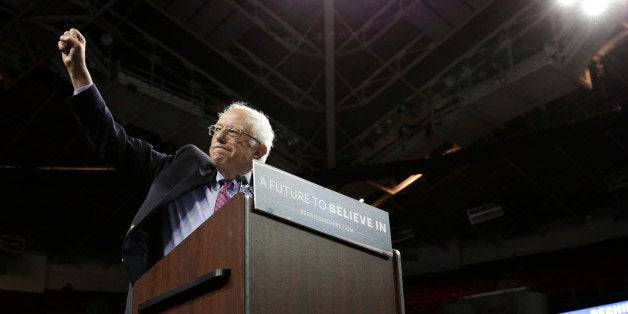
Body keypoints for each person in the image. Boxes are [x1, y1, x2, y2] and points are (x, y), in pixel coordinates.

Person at [58, 28, 274, 313]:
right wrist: (78, 73)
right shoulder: (181, 167)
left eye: (232, 132)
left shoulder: (269, 202)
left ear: (258, 151)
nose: (218, 137)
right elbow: (114, 142)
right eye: (217, 129)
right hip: (162, 298)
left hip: (232, 302)